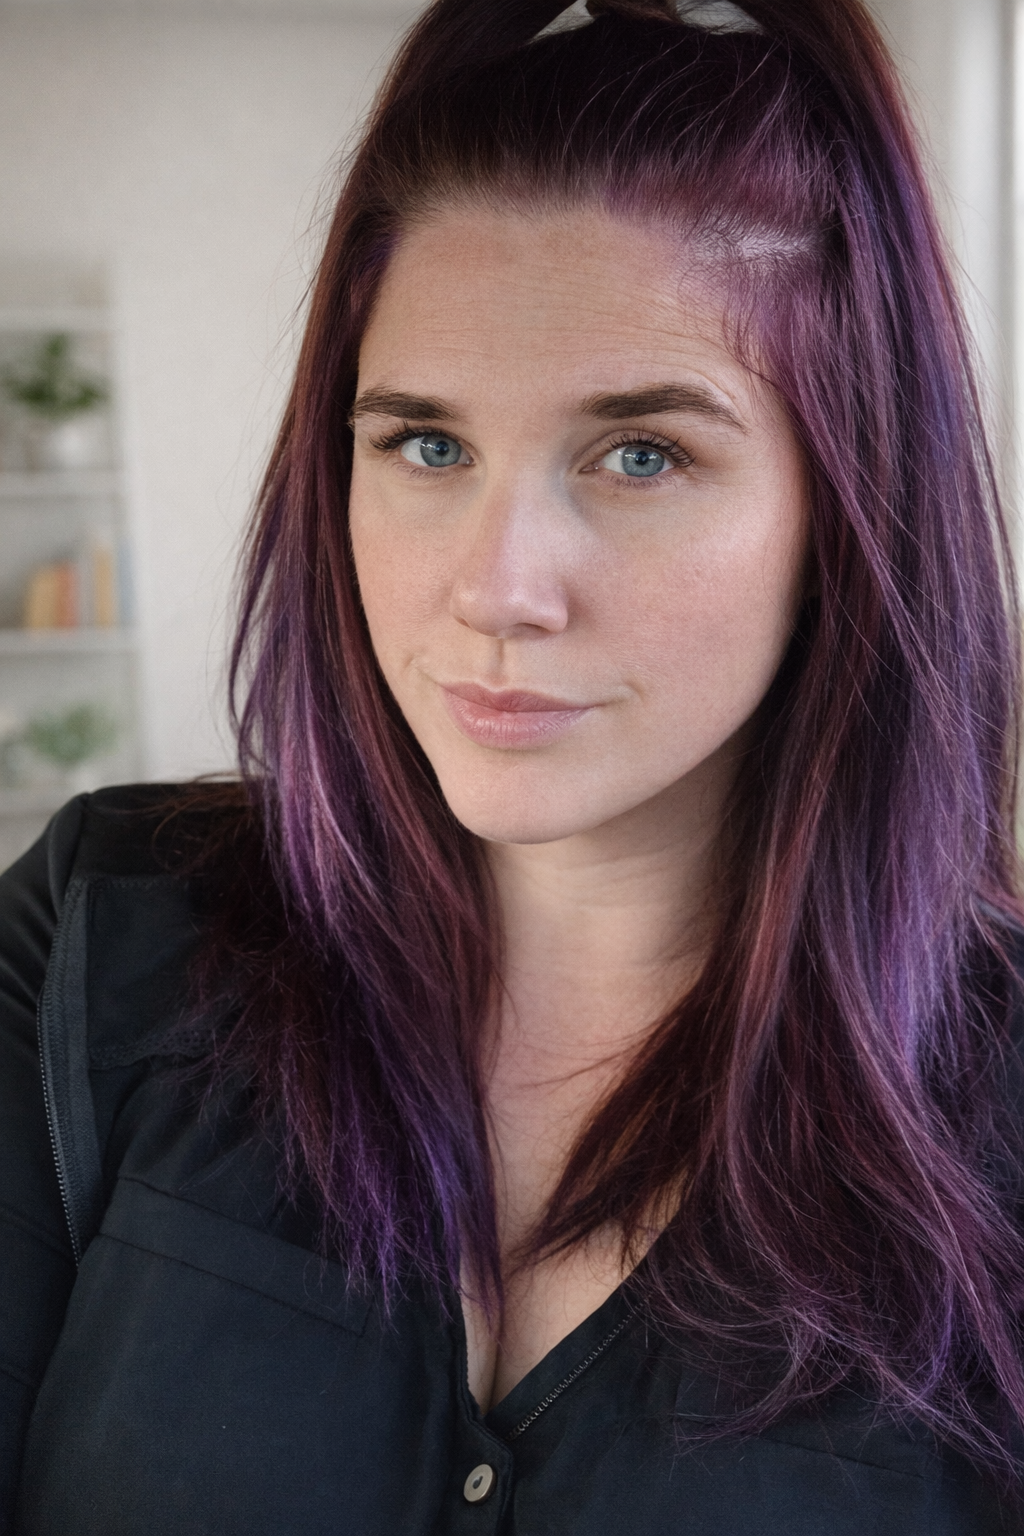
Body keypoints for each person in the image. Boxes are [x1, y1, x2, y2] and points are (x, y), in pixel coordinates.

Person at [2, 0, 1024, 1529]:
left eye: (641, 454)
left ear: (848, 512)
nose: (495, 586)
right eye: (424, 443)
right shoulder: (101, 940)